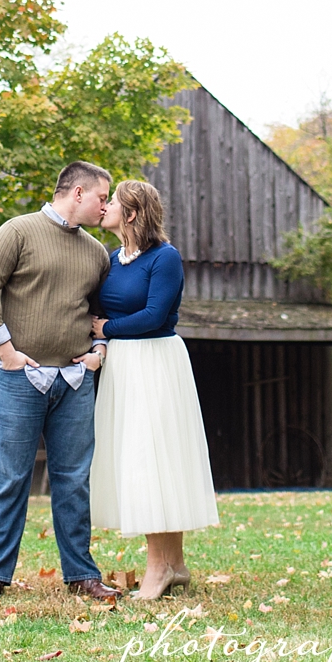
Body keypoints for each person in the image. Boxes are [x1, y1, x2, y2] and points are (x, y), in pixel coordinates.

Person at [0, 160, 121, 602]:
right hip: (19, 378)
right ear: (77, 194)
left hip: (73, 381)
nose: (105, 206)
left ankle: (82, 576)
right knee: (11, 477)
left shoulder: (94, 251)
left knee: (73, 479)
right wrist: (6, 351)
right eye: (101, 197)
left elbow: (101, 313)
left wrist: (99, 352)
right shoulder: (17, 231)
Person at [89, 179, 218, 600]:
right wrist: (101, 337)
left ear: (131, 213)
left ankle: (159, 568)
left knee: (156, 460)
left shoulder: (165, 258)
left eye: (113, 203)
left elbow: (154, 314)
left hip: (156, 362)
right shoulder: (113, 258)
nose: (104, 207)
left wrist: (107, 329)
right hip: (124, 367)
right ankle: (175, 565)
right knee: (141, 459)